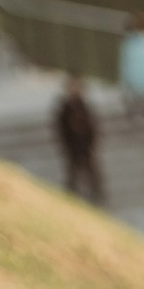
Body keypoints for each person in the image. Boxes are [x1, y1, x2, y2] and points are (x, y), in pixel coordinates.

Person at [52, 78, 105, 207]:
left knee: (91, 171)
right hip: (73, 145)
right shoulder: (65, 108)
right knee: (73, 172)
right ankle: (71, 196)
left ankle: (97, 194)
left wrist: (92, 141)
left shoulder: (84, 106)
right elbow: (61, 128)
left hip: (85, 145)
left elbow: (92, 126)